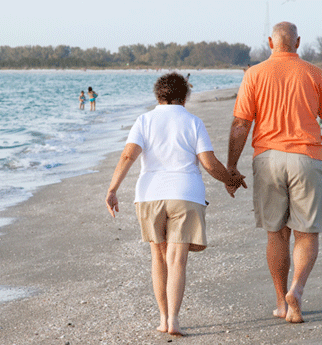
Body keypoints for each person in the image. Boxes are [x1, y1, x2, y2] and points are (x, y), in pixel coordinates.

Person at [225, 22, 322, 323]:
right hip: (307, 158)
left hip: (267, 160)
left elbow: (241, 125)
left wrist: (231, 166)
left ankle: (281, 302)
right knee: (306, 233)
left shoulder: (253, 74)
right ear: (298, 42)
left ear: (270, 42)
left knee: (277, 233)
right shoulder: (314, 73)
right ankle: (297, 290)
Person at [105, 72, 234, 336]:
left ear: (157, 95)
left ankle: (163, 319)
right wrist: (229, 179)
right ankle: (174, 320)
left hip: (150, 195)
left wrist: (112, 189)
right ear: (185, 96)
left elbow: (129, 154)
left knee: (158, 258)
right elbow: (209, 163)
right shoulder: (193, 121)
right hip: (185, 194)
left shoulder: (144, 120)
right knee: (177, 260)